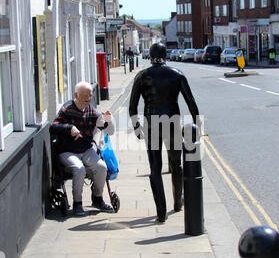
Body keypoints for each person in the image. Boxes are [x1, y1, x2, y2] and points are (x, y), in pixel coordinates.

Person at [129, 42, 200, 223]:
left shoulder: (142, 76)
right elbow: (191, 101)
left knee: (155, 168)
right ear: (166, 55)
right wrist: (197, 125)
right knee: (176, 164)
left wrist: (137, 127)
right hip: (172, 121)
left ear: (151, 56)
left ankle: (161, 213)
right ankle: (177, 203)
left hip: (151, 122)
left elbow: (132, 106)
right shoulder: (177, 74)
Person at [50, 81, 115, 216]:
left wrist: (109, 120)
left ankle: (97, 198)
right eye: (85, 95)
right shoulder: (67, 109)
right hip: (66, 150)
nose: (88, 99)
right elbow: (53, 126)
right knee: (79, 169)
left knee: (102, 167)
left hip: (86, 149)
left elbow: (109, 130)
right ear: (76, 95)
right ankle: (77, 204)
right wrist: (69, 127)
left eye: (90, 95)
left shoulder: (92, 111)